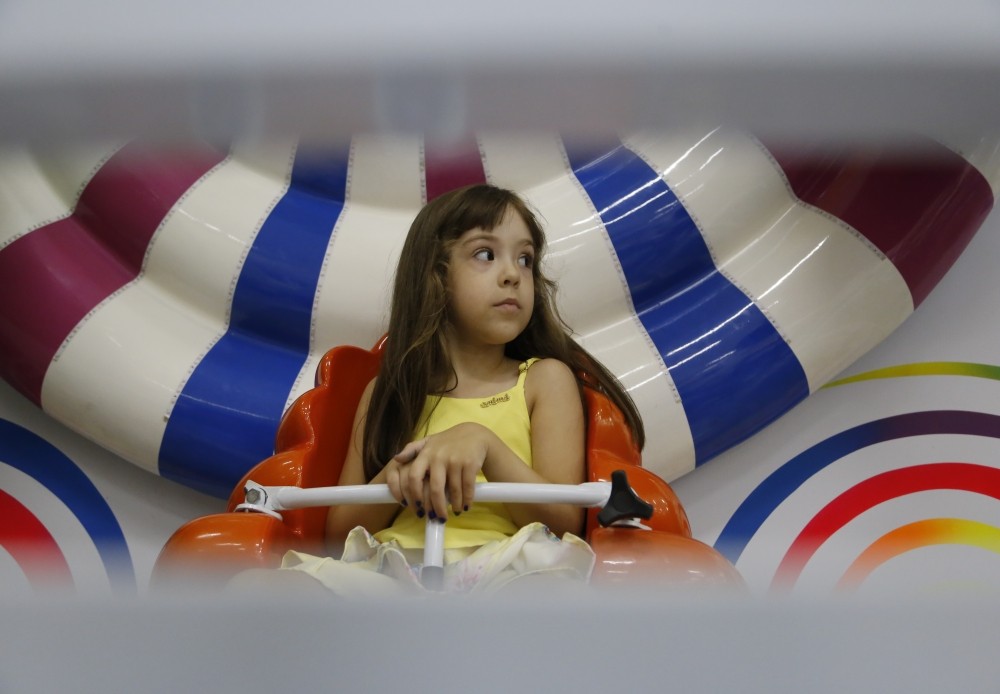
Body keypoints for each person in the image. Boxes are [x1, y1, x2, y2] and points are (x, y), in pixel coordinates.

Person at [235, 184, 645, 597]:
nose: (513, 274)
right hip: (393, 572)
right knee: (252, 589)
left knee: (557, 595)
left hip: (506, 572)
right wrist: (394, 476)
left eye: (525, 259)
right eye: (486, 254)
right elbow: (340, 532)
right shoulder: (386, 392)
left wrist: (483, 441)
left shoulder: (545, 380)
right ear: (436, 275)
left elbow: (564, 521)